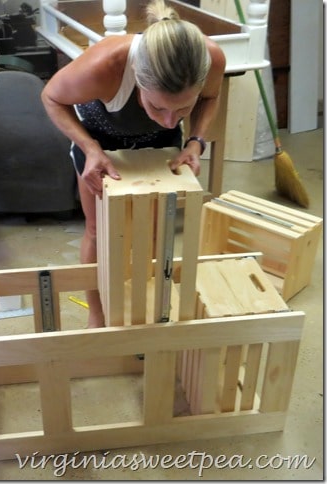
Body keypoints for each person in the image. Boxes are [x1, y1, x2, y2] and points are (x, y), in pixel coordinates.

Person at [41, 0, 226, 328]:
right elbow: (51, 98)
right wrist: (90, 148)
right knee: (98, 231)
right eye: (157, 107)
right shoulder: (106, 63)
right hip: (100, 141)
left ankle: (147, 310)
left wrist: (195, 139)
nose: (170, 121)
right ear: (138, 79)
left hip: (157, 146)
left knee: (156, 232)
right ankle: (97, 313)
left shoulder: (210, 59)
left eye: (182, 108)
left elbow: (211, 96)